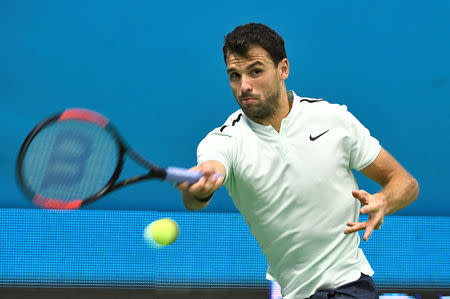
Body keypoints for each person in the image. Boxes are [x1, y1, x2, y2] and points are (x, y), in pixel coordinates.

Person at [176, 23, 419, 298]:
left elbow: (405, 182)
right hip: (296, 293)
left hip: (353, 285)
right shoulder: (223, 141)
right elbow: (199, 191)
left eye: (256, 71)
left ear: (283, 69)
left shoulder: (333, 118)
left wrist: (384, 200)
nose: (244, 86)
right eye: (234, 75)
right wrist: (202, 186)